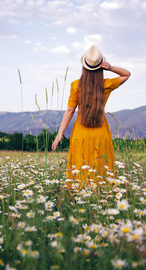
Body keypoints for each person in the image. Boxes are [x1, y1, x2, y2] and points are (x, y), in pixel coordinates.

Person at [52, 45, 131, 182]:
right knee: (101, 166)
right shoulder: (106, 84)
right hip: (101, 132)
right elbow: (126, 74)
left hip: (80, 132)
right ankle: (102, 197)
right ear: (101, 66)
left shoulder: (75, 85)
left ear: (84, 67)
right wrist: (110, 67)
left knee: (80, 166)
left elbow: (70, 110)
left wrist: (60, 134)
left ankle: (78, 197)